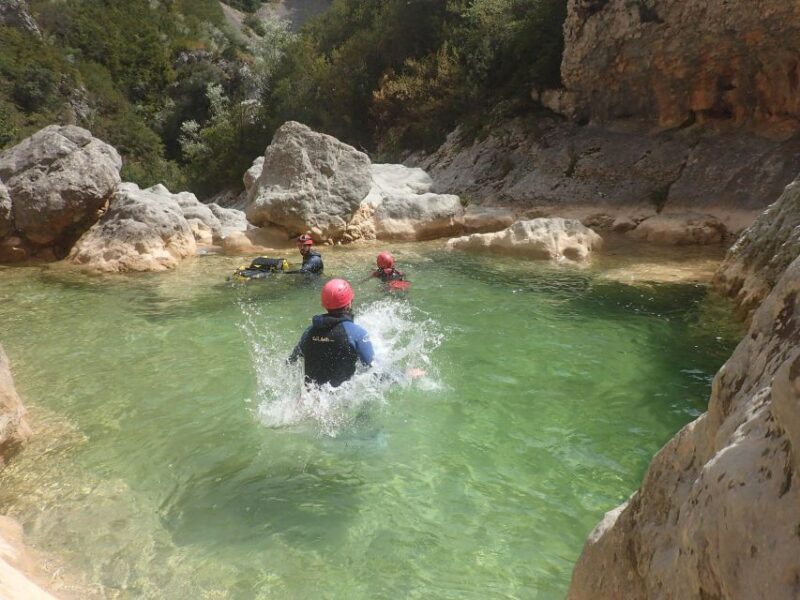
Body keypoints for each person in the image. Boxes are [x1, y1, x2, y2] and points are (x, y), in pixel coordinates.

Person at [289, 278, 374, 387]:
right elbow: (373, 367)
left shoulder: (309, 331)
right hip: (340, 399)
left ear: (324, 304)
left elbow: (292, 360)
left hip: (308, 397)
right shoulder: (357, 333)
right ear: (349, 303)